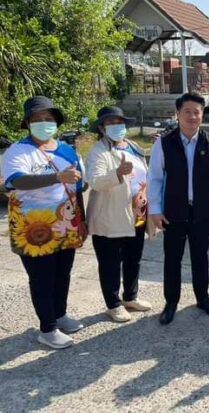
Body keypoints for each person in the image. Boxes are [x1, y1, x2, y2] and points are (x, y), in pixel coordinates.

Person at [1, 96, 86, 349]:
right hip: (32, 227)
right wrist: (56, 177)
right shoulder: (18, 150)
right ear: (28, 123)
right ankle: (47, 329)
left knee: (62, 273)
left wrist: (83, 221)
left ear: (56, 122)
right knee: (42, 278)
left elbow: (79, 186)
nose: (44, 123)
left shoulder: (67, 150)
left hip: (65, 223)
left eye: (48, 118)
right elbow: (17, 181)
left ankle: (59, 315)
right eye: (37, 119)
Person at [148, 92, 209, 325]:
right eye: (187, 112)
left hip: (201, 210)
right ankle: (171, 302)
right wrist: (155, 209)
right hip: (173, 210)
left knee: (200, 256)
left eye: (197, 112)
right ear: (178, 114)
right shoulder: (164, 143)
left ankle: (203, 298)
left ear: (202, 115)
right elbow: (154, 178)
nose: (192, 117)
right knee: (172, 257)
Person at [86, 106, 152, 323]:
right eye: (110, 123)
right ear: (102, 128)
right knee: (110, 262)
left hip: (137, 213)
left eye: (119, 122)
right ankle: (113, 304)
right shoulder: (98, 151)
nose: (116, 127)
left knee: (134, 258)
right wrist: (117, 173)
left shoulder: (133, 146)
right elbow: (95, 181)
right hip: (110, 216)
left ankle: (130, 297)